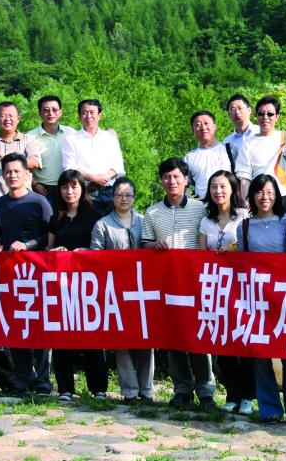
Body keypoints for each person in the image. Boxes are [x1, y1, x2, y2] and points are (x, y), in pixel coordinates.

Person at [141, 157, 215, 411]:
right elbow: (144, 245)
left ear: (186, 180)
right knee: (173, 337)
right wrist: (154, 245)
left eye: (176, 177)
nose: (171, 181)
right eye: (166, 177)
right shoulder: (152, 212)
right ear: (161, 181)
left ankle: (206, 390)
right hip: (167, 284)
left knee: (198, 336)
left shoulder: (200, 209)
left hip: (194, 283)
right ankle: (181, 389)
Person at [243, 174, 286, 425]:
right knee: (260, 354)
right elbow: (242, 263)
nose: (265, 197)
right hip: (257, 298)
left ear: (277, 195)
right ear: (252, 196)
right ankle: (269, 408)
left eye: (270, 192)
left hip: (285, 295)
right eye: (259, 192)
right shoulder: (245, 226)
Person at [0, 153, 53, 395]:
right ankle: (24, 377)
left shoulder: (39, 202)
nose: (12, 175)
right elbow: (0, 232)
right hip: (10, 275)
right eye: (8, 172)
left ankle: (43, 380)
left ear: (27, 174)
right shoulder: (1, 203)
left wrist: (27, 245)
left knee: (40, 327)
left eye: (17, 171)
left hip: (36, 274)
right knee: (16, 325)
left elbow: (49, 236)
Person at [90, 177, 154, 404]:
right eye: (119, 194)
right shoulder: (102, 224)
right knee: (122, 339)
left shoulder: (145, 221)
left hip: (143, 289)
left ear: (134, 198)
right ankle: (129, 390)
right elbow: (94, 257)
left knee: (146, 338)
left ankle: (147, 389)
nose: (124, 199)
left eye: (128, 195)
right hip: (115, 290)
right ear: (113, 197)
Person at [47, 169, 108, 402]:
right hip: (62, 284)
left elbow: (102, 250)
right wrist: (56, 252)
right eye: (64, 187)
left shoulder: (95, 215)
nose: (69, 191)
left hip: (89, 284)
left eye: (74, 186)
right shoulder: (56, 217)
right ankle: (65, 388)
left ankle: (98, 388)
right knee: (61, 336)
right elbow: (48, 250)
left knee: (92, 336)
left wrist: (85, 253)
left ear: (82, 189)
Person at [198, 170, 254, 414]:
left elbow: (250, 249)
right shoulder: (206, 220)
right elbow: (201, 255)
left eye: (223, 186)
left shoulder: (244, 216)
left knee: (244, 342)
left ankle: (248, 396)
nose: (218, 191)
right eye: (214, 187)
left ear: (232, 188)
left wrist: (233, 253)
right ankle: (232, 393)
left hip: (241, 288)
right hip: (217, 289)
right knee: (223, 343)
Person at [234, 96, 286, 208]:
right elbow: (244, 175)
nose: (265, 117)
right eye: (261, 114)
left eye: (270, 114)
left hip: (284, 197)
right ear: (256, 115)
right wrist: (247, 199)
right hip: (259, 199)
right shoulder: (248, 143)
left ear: (277, 117)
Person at [62, 99, 125, 216]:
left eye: (92, 112)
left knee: (113, 225)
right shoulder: (70, 139)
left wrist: (105, 177)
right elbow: (69, 167)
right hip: (86, 192)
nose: (88, 116)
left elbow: (118, 166)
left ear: (99, 115)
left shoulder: (110, 138)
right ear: (79, 116)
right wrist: (93, 178)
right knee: (87, 225)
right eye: (84, 113)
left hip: (111, 192)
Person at [29, 95, 73, 210]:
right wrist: (34, 184)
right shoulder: (30, 137)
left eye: (54, 109)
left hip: (68, 187)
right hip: (42, 189)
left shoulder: (71, 133)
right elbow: (23, 166)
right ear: (39, 113)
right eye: (46, 110)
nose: (51, 113)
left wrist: (109, 134)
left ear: (60, 112)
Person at [184, 111, 231, 200]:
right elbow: (184, 186)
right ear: (193, 130)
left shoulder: (229, 150)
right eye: (198, 125)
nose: (203, 127)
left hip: (229, 203)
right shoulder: (189, 157)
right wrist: (194, 199)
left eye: (206, 123)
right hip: (201, 205)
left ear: (214, 127)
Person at [222, 94, 257, 171]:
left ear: (249, 110)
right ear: (229, 114)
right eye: (233, 109)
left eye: (240, 108)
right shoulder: (227, 142)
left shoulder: (260, 133)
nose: (237, 112)